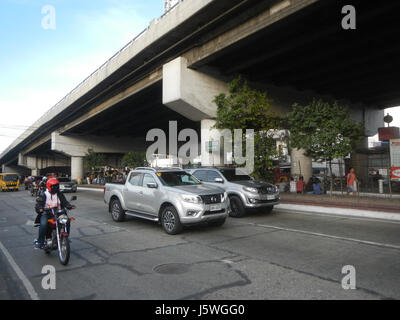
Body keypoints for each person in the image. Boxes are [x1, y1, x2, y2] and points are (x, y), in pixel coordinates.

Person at [34, 178, 75, 249]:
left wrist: (69, 206)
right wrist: (40, 208)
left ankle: (65, 238)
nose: (56, 187)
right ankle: (40, 242)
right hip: (47, 213)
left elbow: (65, 202)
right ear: (49, 186)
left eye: (57, 186)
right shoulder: (44, 194)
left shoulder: (59, 193)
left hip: (59, 213)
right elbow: (39, 203)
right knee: (43, 224)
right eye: (54, 186)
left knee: (67, 221)